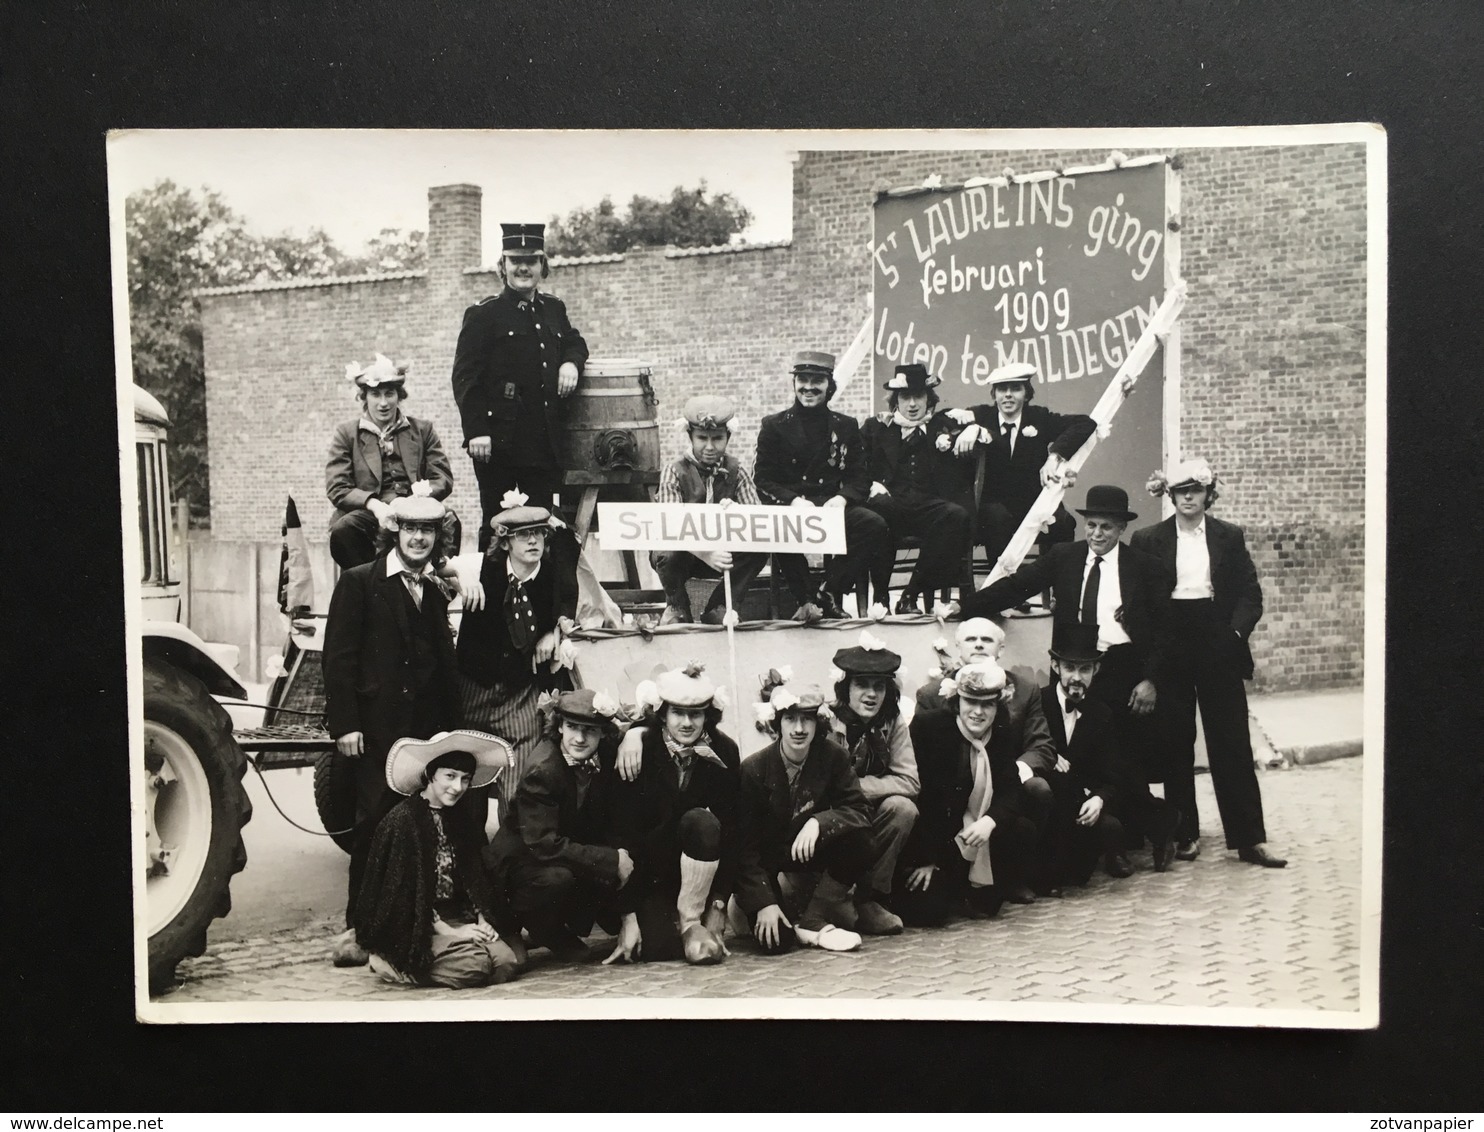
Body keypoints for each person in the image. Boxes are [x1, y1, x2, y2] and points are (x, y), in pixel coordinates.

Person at [955, 484, 1182, 864]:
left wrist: (1150, 680)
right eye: (1091, 525)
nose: (1096, 534)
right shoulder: (1065, 557)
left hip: (1124, 670)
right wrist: (965, 608)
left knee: (1121, 759)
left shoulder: (1143, 567)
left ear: (1121, 529)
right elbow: (1016, 587)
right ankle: (1100, 838)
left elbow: (1165, 632)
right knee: (1073, 757)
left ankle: (1154, 828)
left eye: (1106, 527)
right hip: (1075, 668)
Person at [323, 495, 461, 967]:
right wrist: (346, 725)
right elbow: (338, 659)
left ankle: (409, 921)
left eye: (428, 530)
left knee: (422, 824)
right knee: (372, 824)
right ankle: (357, 929)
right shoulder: (360, 583)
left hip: (426, 733)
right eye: (410, 529)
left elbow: (443, 665)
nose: (419, 538)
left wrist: (450, 733)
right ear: (394, 533)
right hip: (376, 731)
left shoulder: (436, 589)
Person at [1132, 458, 1287, 867]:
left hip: (1217, 640)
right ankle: (1184, 833)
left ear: (1207, 494)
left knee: (1231, 741)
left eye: (1195, 490)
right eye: (1180, 490)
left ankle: (1250, 838)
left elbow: (1249, 594)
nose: (1188, 497)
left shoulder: (1228, 536)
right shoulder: (1148, 539)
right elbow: (1140, 599)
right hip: (1170, 643)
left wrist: (1233, 635)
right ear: (1170, 494)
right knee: (1176, 741)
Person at [449, 222, 589, 550]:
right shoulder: (484, 314)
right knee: (498, 527)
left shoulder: (553, 309)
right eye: (515, 260)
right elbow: (465, 376)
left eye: (532, 260)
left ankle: (536, 602)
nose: (523, 267)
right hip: (498, 444)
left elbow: (575, 341)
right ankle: (490, 601)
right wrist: (476, 431)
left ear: (543, 266)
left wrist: (571, 362)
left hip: (541, 443)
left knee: (538, 527)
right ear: (503, 266)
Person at [354, 731, 526, 987]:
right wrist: (452, 932)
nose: (457, 787)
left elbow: (477, 878)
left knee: (511, 961)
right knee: (475, 965)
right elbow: (401, 895)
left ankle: (458, 956)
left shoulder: (462, 820)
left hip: (459, 915)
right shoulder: (402, 822)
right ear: (430, 775)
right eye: (450, 776)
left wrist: (482, 920)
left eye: (465, 779)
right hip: (418, 923)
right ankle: (391, 962)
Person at [453, 489, 581, 826]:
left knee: (519, 789)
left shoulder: (553, 575)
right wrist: (462, 578)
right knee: (465, 792)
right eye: (523, 535)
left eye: (538, 533)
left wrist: (555, 631)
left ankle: (510, 860)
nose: (533, 542)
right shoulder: (481, 566)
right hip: (472, 689)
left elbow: (569, 553)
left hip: (518, 692)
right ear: (506, 542)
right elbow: (436, 567)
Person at [484, 689, 633, 962]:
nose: (579, 738)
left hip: (558, 853)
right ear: (559, 727)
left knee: (590, 872)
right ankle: (535, 929)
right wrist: (612, 860)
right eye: (572, 727)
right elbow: (544, 844)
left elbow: (640, 728)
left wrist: (633, 737)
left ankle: (555, 926)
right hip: (520, 867)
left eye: (589, 730)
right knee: (559, 880)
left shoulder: (605, 753)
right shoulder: (542, 769)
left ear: (602, 732)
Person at [604, 664, 739, 965]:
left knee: (702, 821)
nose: (687, 723)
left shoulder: (724, 752)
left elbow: (731, 833)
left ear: (708, 716)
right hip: (647, 876)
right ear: (662, 714)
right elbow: (619, 832)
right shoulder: (639, 749)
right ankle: (671, 924)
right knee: (658, 951)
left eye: (696, 714)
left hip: (696, 880)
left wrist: (718, 903)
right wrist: (628, 913)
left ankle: (691, 919)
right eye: (678, 713)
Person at [896, 661, 1042, 925]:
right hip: (933, 838)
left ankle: (973, 886)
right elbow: (919, 797)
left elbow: (1011, 789)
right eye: (970, 702)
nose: (978, 712)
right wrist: (926, 859)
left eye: (987, 704)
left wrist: (990, 820)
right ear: (957, 701)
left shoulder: (1000, 732)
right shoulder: (929, 728)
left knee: (1021, 830)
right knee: (930, 912)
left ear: (998, 706)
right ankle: (951, 886)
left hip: (974, 835)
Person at [753, 349, 891, 619]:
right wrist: (793, 500)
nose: (808, 387)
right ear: (794, 383)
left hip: (830, 506)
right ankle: (805, 600)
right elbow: (763, 478)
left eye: (817, 380)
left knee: (873, 524)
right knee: (780, 527)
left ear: (829, 385)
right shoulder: (774, 425)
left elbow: (859, 476)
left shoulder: (846, 426)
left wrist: (842, 498)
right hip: (793, 507)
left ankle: (828, 591)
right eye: (802, 379)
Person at [736, 680, 872, 953]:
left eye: (807, 719)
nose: (799, 729)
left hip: (809, 853)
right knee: (777, 943)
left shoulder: (833, 756)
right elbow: (744, 847)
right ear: (777, 724)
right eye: (790, 719)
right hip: (768, 860)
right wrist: (763, 902)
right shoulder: (754, 769)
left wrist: (819, 821)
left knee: (861, 840)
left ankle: (814, 918)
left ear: (818, 722)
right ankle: (749, 906)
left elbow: (859, 810)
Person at [325, 353, 461, 569]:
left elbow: (442, 478)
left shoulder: (422, 430)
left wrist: (415, 500)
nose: (383, 403)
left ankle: (435, 586)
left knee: (450, 520)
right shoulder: (347, 434)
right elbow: (338, 487)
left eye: (389, 394)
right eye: (375, 394)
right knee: (344, 530)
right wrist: (375, 505)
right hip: (370, 514)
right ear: (364, 397)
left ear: (399, 396)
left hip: (416, 509)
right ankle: (369, 588)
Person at [951, 360, 1096, 561]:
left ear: (1026, 394)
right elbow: (942, 418)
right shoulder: (981, 416)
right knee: (996, 518)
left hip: (1031, 503)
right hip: (992, 507)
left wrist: (1055, 457)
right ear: (994, 394)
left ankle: (1059, 587)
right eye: (1002, 389)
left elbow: (1085, 423)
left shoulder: (1038, 417)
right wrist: (972, 428)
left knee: (1064, 522)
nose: (1008, 394)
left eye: (1015, 388)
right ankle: (1000, 587)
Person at [860, 363, 975, 612]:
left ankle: (910, 595)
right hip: (891, 505)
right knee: (878, 513)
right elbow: (856, 466)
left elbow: (984, 422)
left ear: (928, 399)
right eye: (905, 397)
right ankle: (881, 596)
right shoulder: (876, 427)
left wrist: (973, 427)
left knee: (955, 515)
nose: (912, 404)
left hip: (927, 507)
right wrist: (873, 485)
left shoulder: (942, 424)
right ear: (895, 400)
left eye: (918, 396)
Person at [824, 634, 917, 935]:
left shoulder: (892, 722)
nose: (871, 694)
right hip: (827, 819)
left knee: (902, 808)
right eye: (861, 684)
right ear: (845, 687)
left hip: (866, 813)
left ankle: (868, 900)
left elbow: (909, 780)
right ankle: (826, 899)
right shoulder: (825, 722)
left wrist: (857, 787)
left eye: (879, 686)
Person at [1035, 623, 1139, 886]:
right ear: (1056, 667)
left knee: (1083, 869)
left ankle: (1107, 850)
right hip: (1047, 806)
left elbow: (1113, 772)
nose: (1077, 678)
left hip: (1079, 804)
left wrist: (1099, 799)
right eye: (1069, 668)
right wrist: (1047, 755)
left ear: (1096, 670)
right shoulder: (1038, 703)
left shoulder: (1101, 713)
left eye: (1085, 669)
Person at [653, 394, 769, 625]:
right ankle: (677, 607)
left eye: (717, 438)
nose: (709, 446)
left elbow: (758, 520)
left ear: (728, 437)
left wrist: (739, 513)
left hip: (724, 554)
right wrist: (705, 553)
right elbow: (671, 522)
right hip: (685, 555)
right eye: (702, 438)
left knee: (759, 551)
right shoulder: (674, 471)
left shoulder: (737, 471)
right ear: (690, 437)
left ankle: (720, 607)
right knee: (665, 552)